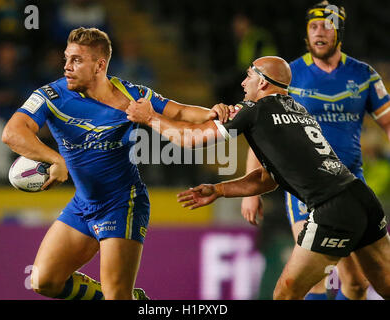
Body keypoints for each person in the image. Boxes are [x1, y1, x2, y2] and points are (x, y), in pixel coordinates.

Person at [125, 55, 390, 300]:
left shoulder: (255, 109)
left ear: (262, 82)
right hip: (360, 198)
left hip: (331, 209)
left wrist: (150, 118)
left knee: (286, 294)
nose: (242, 82)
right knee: (385, 284)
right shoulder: (298, 109)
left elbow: (191, 139)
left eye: (249, 75)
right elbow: (268, 178)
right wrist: (219, 190)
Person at [1, 27, 230, 300]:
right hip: (84, 204)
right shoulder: (51, 96)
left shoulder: (130, 95)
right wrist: (54, 159)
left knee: (116, 295)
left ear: (99, 65)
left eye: (76, 60)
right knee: (43, 281)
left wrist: (214, 112)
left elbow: (179, 111)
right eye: (66, 58)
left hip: (123, 204)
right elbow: (12, 133)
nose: (66, 67)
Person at [241, 1, 390, 300]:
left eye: (327, 25)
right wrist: (251, 188)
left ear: (340, 32)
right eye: (313, 26)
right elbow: (260, 126)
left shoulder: (363, 75)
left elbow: (388, 123)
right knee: (317, 280)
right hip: (306, 190)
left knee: (358, 283)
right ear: (305, 34)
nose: (319, 31)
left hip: (351, 185)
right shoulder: (289, 75)